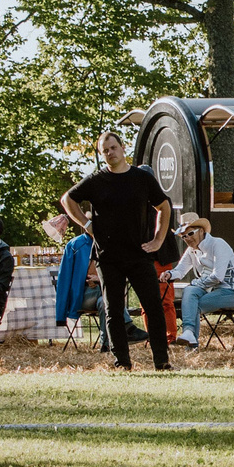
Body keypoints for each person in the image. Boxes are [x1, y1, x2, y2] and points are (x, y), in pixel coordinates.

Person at [62, 129, 174, 372]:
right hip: (108, 255)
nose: (110, 153)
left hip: (139, 253)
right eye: (105, 151)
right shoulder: (96, 180)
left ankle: (162, 362)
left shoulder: (141, 178)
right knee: (113, 309)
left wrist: (158, 239)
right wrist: (87, 224)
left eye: (113, 148)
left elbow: (165, 206)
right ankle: (122, 362)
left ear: (123, 149)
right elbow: (67, 200)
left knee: (153, 306)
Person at [167, 214, 234, 349]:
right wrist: (169, 274)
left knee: (192, 303)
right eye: (183, 236)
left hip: (231, 292)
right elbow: (180, 270)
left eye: (190, 233)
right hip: (210, 290)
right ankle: (189, 333)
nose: (187, 238)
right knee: (190, 291)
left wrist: (197, 283)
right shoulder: (192, 250)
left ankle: (191, 344)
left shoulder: (218, 244)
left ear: (201, 231)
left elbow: (218, 276)